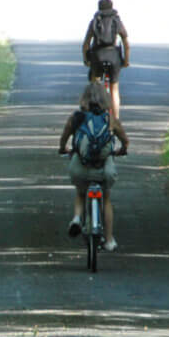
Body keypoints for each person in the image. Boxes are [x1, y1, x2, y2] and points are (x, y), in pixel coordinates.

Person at [58, 80, 129, 251]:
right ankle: (110, 239)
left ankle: (76, 218)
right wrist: (123, 149)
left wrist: (62, 149)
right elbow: (125, 140)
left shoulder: (76, 118)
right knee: (106, 197)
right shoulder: (110, 119)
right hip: (104, 169)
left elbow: (64, 138)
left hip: (79, 168)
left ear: (84, 98)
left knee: (81, 192)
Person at [81, 0, 130, 120]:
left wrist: (86, 60)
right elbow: (126, 43)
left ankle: (92, 116)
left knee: (95, 85)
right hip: (113, 56)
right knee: (114, 89)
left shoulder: (94, 22)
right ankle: (116, 119)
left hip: (97, 57)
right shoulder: (116, 21)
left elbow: (86, 44)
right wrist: (126, 60)